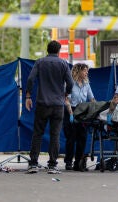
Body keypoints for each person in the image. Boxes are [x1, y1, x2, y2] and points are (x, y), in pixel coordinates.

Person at [25, 40, 73, 174]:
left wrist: (28, 96)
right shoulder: (63, 64)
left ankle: (33, 163)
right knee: (55, 135)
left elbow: (30, 79)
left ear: (47, 50)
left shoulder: (40, 62)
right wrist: (65, 94)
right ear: (58, 51)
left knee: (38, 134)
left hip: (42, 104)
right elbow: (70, 83)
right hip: (58, 105)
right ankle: (52, 165)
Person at [63, 63, 96, 172]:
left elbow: (91, 98)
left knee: (82, 138)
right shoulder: (70, 83)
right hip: (71, 110)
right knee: (71, 138)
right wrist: (71, 114)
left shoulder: (87, 84)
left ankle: (78, 163)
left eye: (87, 71)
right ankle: (68, 162)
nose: (87, 73)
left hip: (82, 111)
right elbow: (66, 99)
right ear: (78, 71)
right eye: (85, 71)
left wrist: (96, 109)